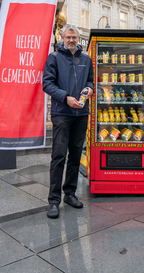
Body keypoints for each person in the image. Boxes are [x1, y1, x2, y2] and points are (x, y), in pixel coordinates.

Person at [43, 24, 94, 219]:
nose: (71, 40)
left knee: (75, 156)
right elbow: (47, 83)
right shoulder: (54, 58)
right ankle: (53, 200)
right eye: (68, 37)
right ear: (62, 38)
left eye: (74, 37)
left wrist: (89, 89)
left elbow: (90, 81)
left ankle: (70, 194)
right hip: (62, 113)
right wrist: (65, 98)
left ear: (78, 38)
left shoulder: (86, 59)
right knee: (58, 157)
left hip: (81, 113)